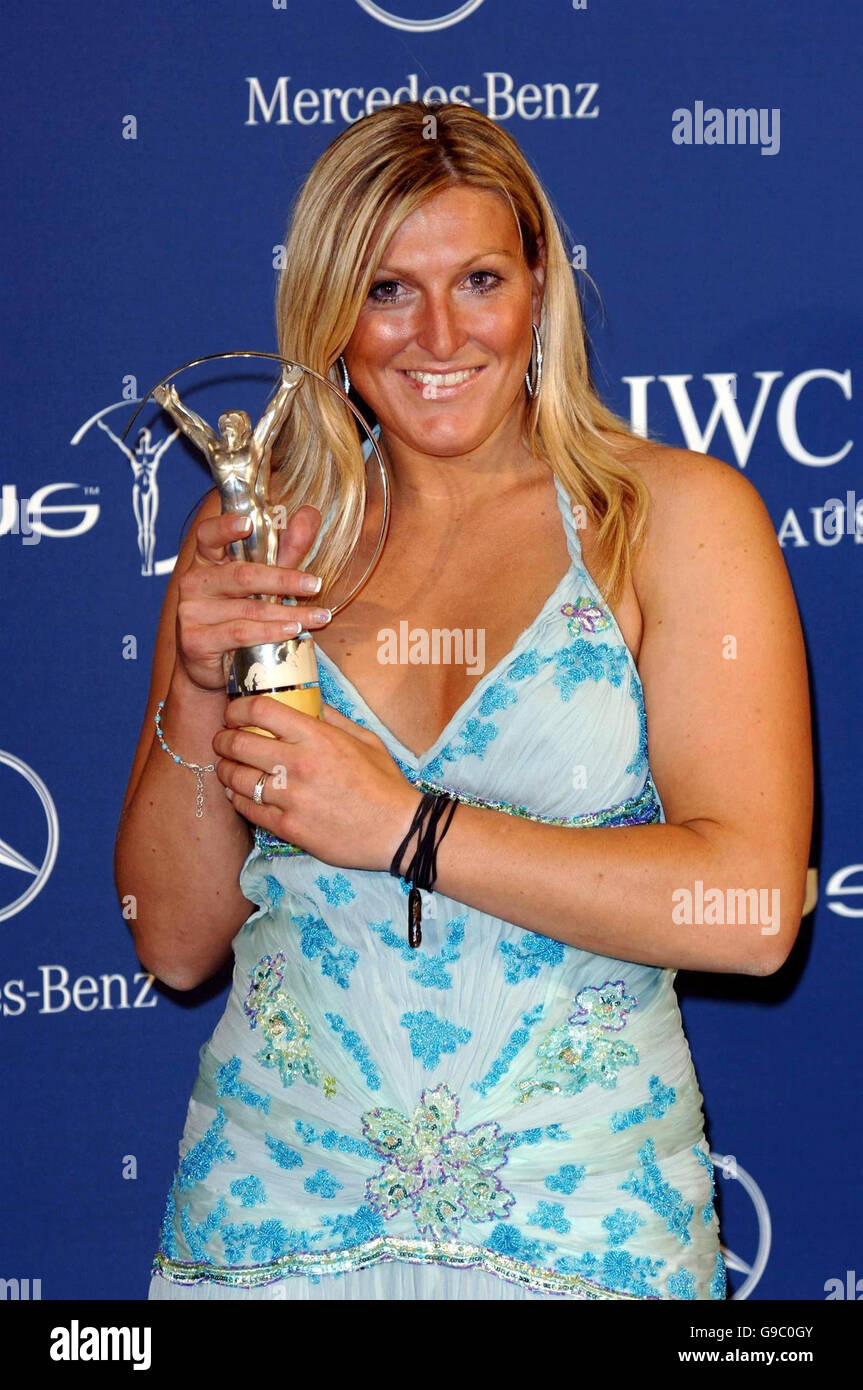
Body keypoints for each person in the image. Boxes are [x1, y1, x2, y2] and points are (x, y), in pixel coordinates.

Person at [115, 101, 812, 1302]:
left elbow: (748, 912)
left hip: (585, 1232)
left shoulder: (673, 520)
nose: (435, 334)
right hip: (268, 1226)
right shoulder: (260, 534)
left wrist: (408, 829)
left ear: (537, 288)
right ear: (330, 310)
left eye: (477, 278)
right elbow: (175, 943)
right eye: (387, 289)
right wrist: (192, 678)